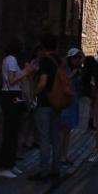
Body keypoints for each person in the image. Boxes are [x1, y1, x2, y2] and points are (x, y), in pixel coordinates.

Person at [0, 38, 35, 179]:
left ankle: (10, 164)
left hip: (14, 95)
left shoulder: (10, 59)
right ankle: (4, 166)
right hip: (10, 95)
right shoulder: (11, 60)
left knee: (14, 130)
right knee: (10, 131)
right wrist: (26, 71)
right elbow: (12, 80)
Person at [31, 34, 63, 180]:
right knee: (56, 137)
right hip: (57, 102)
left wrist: (33, 93)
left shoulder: (45, 61)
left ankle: (44, 171)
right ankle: (56, 169)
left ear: (44, 47)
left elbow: (43, 82)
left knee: (44, 137)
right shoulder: (59, 60)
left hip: (45, 103)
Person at [59, 47, 84, 170]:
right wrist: (73, 74)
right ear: (70, 58)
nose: (77, 59)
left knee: (68, 130)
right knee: (62, 130)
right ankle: (60, 156)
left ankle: (64, 155)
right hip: (64, 101)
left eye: (79, 57)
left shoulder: (79, 70)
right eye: (75, 57)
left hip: (73, 101)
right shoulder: (65, 69)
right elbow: (63, 81)